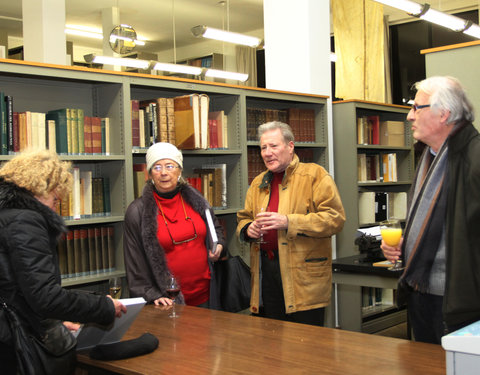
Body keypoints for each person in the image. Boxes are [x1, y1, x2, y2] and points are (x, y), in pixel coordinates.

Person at [0, 149, 126, 374]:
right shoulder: (25, 220)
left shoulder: (7, 215)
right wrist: (103, 306)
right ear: (40, 187)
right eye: (56, 200)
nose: (56, 209)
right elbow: (44, 296)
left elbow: (17, 289)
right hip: (14, 348)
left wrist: (50, 323)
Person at [381, 76, 480, 344]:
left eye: (416, 108)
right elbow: (429, 219)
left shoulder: (474, 157)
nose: (409, 116)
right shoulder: (428, 157)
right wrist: (405, 239)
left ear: (443, 114)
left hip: (461, 302)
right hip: (420, 292)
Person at [236, 121, 345, 325]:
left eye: (274, 146)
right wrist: (248, 228)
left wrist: (288, 221)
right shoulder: (258, 182)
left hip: (302, 277)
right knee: (271, 342)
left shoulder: (315, 175)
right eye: (263, 148)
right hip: (265, 273)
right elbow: (243, 217)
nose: (267, 153)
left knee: (304, 347)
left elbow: (335, 219)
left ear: (290, 146)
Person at [124, 142, 226, 309]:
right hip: (167, 301)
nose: (164, 173)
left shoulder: (197, 200)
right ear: (149, 174)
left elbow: (216, 230)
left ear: (179, 170)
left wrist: (220, 245)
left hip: (206, 295)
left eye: (169, 166)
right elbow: (134, 263)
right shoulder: (137, 212)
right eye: (156, 167)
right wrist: (152, 295)